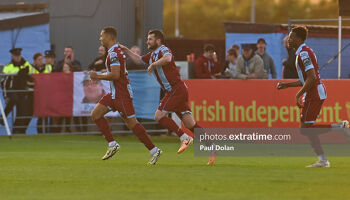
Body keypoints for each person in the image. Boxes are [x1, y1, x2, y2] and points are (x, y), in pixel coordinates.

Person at [120, 29, 216, 165]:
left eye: (150, 39)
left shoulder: (163, 49)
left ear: (158, 41)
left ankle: (184, 138)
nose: (147, 41)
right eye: (147, 39)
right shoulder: (152, 54)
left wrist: (153, 64)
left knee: (158, 116)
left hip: (175, 90)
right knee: (190, 124)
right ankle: (212, 148)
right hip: (176, 91)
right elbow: (138, 60)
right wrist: (126, 50)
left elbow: (168, 59)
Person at [277, 26, 349, 168]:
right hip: (313, 92)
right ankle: (323, 159)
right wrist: (287, 85)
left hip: (314, 93)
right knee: (307, 128)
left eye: (291, 37)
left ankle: (340, 127)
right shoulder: (303, 52)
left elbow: (312, 78)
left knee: (306, 129)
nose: (288, 40)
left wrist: (298, 95)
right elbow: (306, 80)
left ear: (298, 39)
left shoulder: (303, 54)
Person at [89, 26, 162, 164]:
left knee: (132, 124)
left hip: (122, 94)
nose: (100, 38)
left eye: (101, 36)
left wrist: (97, 76)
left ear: (109, 37)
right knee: (95, 114)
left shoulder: (114, 53)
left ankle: (154, 150)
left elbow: (116, 75)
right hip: (114, 94)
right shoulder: (113, 51)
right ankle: (112, 144)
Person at [1, 48, 33, 132]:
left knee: (22, 112)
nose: (18, 57)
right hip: (11, 89)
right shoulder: (8, 67)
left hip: (22, 90)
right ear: (12, 56)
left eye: (19, 55)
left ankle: (17, 131)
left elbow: (32, 72)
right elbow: (3, 82)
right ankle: (2, 117)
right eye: (16, 56)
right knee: (14, 99)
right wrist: (5, 96)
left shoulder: (25, 64)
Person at [31, 52, 52, 133]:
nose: (41, 61)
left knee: (45, 114)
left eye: (42, 59)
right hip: (35, 94)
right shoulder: (31, 68)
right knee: (38, 114)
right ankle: (40, 131)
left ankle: (44, 131)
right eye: (39, 60)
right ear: (35, 61)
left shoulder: (48, 67)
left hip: (46, 93)